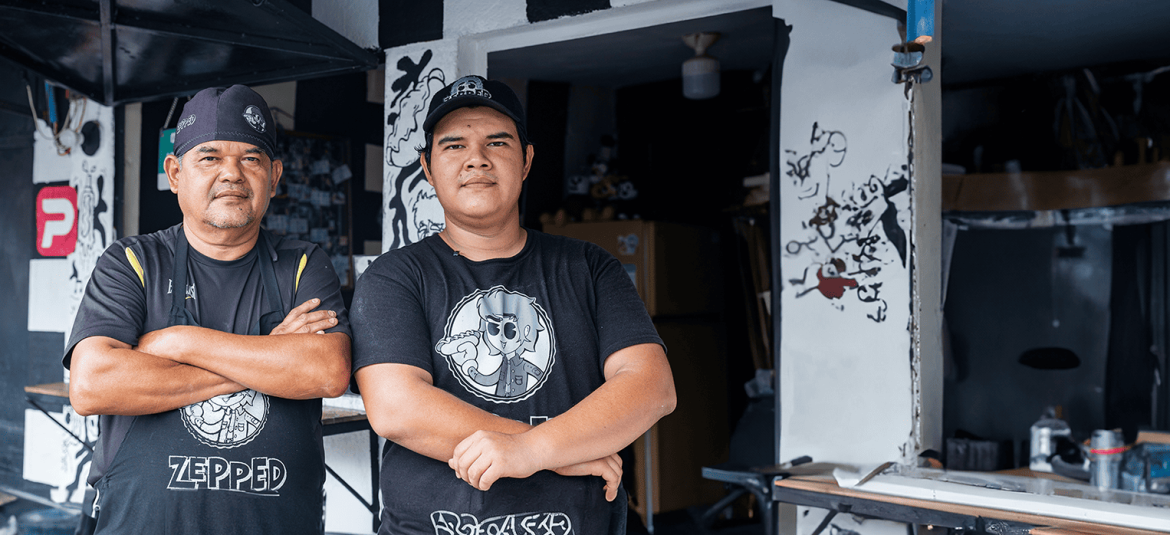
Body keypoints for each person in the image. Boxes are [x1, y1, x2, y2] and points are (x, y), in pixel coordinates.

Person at [351, 74, 677, 535]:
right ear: (427, 167)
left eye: (497, 143)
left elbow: (651, 386)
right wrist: (556, 452)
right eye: (454, 146)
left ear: (525, 160)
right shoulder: (395, 276)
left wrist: (532, 452)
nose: (476, 160)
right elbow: (397, 408)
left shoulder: (587, 267)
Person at [65, 85, 352, 534]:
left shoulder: (302, 264)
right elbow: (92, 384)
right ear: (175, 173)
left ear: (274, 176)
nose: (232, 174)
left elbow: (327, 372)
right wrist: (270, 356)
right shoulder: (133, 262)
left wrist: (180, 341)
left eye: (251, 159)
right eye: (210, 157)